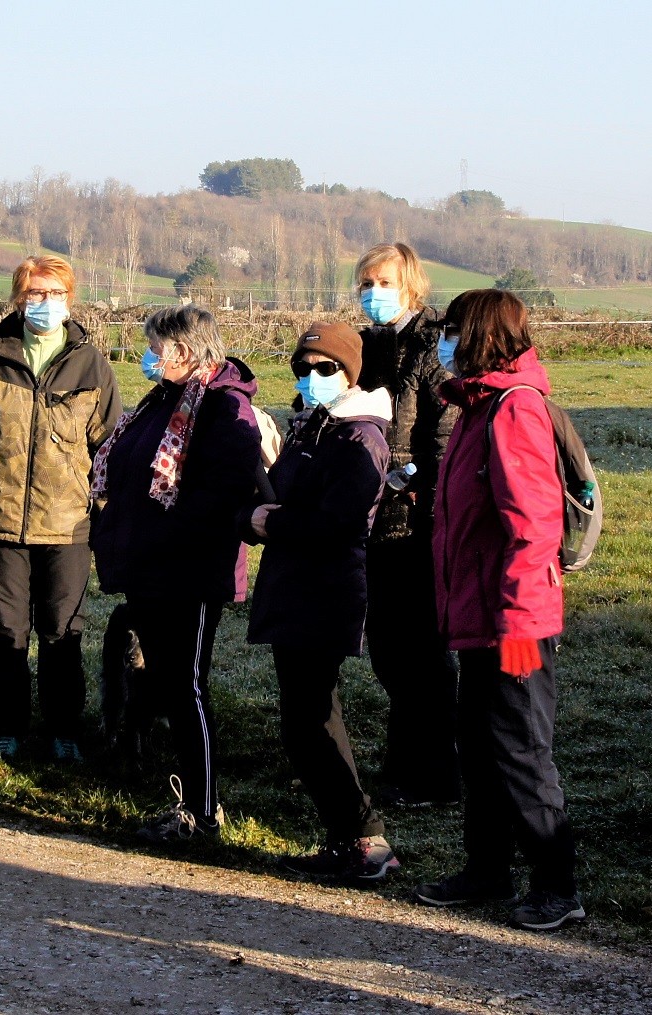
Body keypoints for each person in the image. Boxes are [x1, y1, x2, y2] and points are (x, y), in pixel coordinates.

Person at [416, 288, 580, 931]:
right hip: (483, 615)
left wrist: (516, 622)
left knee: (519, 749)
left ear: (478, 333)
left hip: (514, 621)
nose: (443, 342)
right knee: (480, 746)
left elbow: (533, 525)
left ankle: (556, 884)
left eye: (451, 330)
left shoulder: (513, 410)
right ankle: (487, 869)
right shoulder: (480, 405)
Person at [90, 304, 263, 842]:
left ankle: (204, 813)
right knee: (167, 682)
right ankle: (185, 800)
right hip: (150, 568)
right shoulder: (161, 400)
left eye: (155, 346)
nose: (147, 355)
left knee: (187, 688)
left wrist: (165, 537)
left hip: (189, 572)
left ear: (184, 352)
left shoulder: (222, 408)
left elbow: (220, 496)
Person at [0, 255, 120, 761]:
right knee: (5, 630)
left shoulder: (92, 365)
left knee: (63, 631)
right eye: (35, 294)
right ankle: (7, 727)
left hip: (68, 525)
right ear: (18, 298)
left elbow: (107, 446)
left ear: (70, 299)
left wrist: (105, 513)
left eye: (55, 294)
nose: (45, 303)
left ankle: (65, 728)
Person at [243, 323, 398, 882]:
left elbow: (343, 521)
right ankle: (345, 837)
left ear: (350, 373)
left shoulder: (361, 438)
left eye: (325, 368)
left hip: (325, 589)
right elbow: (277, 499)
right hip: (294, 583)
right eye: (303, 369)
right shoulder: (314, 427)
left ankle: (365, 837)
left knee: (312, 717)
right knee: (303, 718)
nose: (311, 378)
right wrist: (255, 515)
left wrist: (272, 521)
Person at [352, 241, 460, 808]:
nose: (374, 295)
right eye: (366, 284)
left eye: (384, 284)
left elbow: (445, 434)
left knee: (422, 653)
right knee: (390, 650)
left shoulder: (432, 347)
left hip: (414, 521)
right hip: (368, 519)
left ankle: (436, 775)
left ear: (411, 286)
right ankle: (403, 766)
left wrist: (410, 481)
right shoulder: (365, 345)